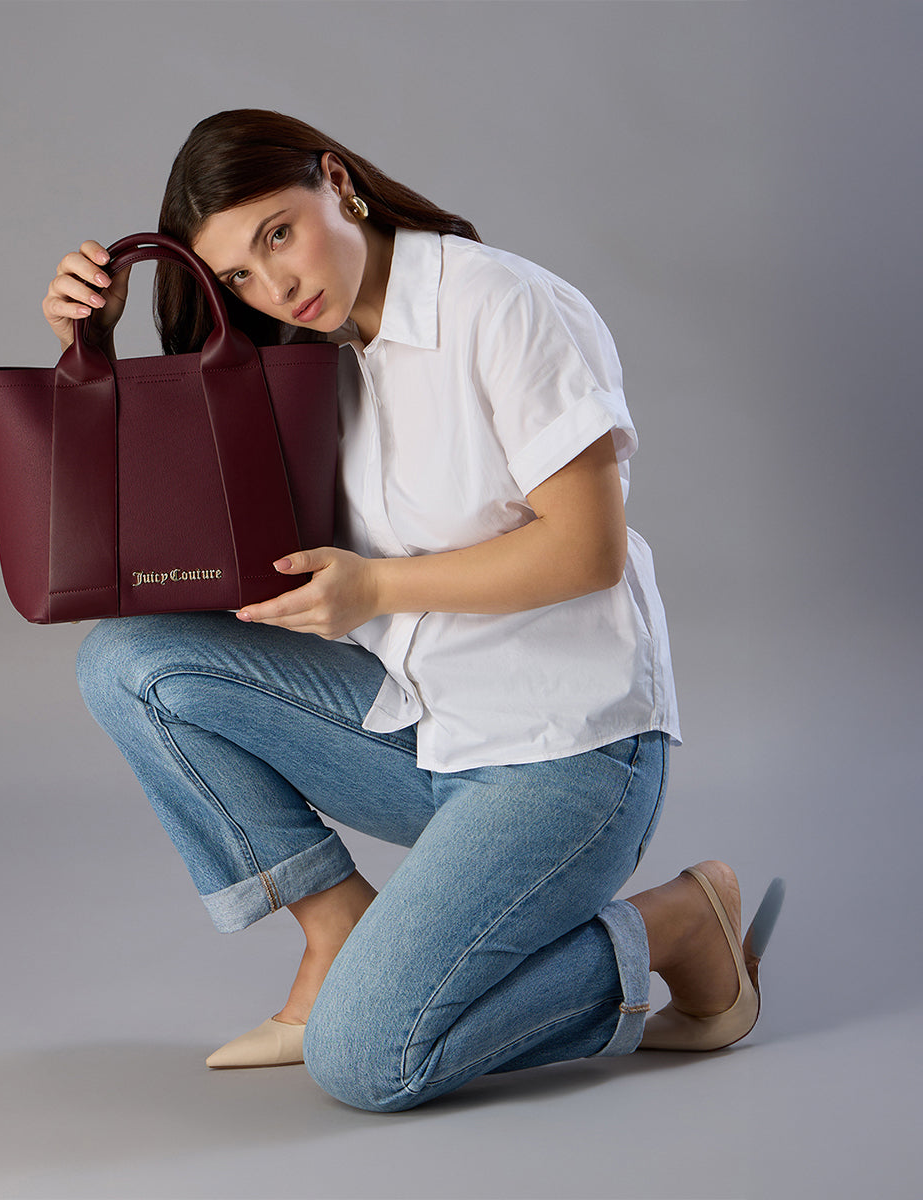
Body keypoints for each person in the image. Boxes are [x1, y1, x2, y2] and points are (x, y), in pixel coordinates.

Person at [42, 110, 783, 1113]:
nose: (276, 285)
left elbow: (587, 549)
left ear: (339, 184)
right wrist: (89, 346)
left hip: (567, 757)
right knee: (129, 661)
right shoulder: (305, 353)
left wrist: (375, 589)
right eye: (240, 276)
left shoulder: (504, 306)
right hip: (421, 733)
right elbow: (184, 537)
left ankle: (679, 926)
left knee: (366, 1060)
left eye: (278, 234)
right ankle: (334, 929)